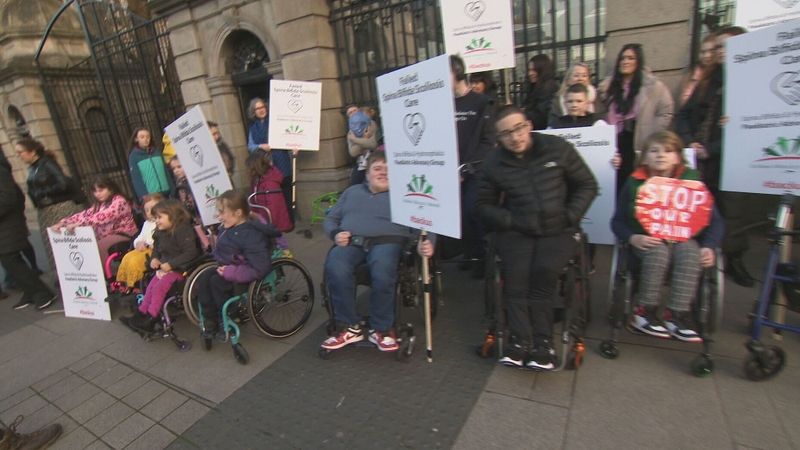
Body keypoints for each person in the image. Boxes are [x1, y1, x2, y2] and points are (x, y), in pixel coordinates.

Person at [475, 105, 597, 370]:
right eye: (506, 133)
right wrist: (512, 221)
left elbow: (587, 184)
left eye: (518, 129)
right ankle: (518, 340)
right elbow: (483, 205)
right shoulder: (494, 162)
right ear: (498, 138)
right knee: (516, 277)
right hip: (517, 229)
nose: (514, 137)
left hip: (559, 228)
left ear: (529, 125)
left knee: (543, 274)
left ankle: (544, 344)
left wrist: (570, 215)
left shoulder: (557, 148)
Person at [611, 131, 724, 341]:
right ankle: (644, 311)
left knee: (691, 253)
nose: (660, 155)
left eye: (668, 151)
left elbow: (715, 221)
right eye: (654, 151)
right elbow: (617, 221)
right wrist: (632, 238)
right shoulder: (634, 182)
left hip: (682, 238)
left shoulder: (694, 184)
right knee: (658, 251)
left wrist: (709, 245)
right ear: (644, 157)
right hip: (646, 239)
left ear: (678, 157)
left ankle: (678, 314)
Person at [320, 151, 434, 352]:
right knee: (335, 263)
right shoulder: (352, 192)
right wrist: (336, 233)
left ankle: (381, 328)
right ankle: (349, 326)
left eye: (389, 169)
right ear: (367, 174)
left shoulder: (407, 194)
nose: (383, 173)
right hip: (352, 242)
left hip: (388, 242)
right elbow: (331, 219)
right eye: (378, 169)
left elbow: (425, 223)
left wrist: (425, 242)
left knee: (382, 267)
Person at [195, 189, 282, 336]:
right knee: (204, 278)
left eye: (223, 212)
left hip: (243, 273)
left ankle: (232, 316)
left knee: (217, 282)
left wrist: (230, 272)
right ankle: (210, 319)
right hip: (229, 266)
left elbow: (260, 267)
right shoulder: (228, 228)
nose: (219, 217)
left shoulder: (251, 234)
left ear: (238, 212)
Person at [599, 44, 674, 195]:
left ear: (638, 61)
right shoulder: (607, 87)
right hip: (612, 141)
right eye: (622, 58)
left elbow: (666, 111)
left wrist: (652, 132)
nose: (625, 62)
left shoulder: (653, 86)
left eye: (630, 58)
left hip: (636, 141)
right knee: (611, 185)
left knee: (634, 186)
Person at [120, 199, 200, 333]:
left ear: (173, 215)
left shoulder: (182, 230)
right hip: (165, 268)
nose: (156, 221)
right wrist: (154, 258)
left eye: (159, 217)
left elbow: (191, 252)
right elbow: (156, 249)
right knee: (150, 287)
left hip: (182, 270)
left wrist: (171, 264)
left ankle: (151, 319)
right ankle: (139, 317)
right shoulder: (160, 232)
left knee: (157, 289)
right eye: (155, 217)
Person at [451, 55, 496, 277]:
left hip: (474, 171)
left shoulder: (481, 102)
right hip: (449, 170)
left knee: (473, 212)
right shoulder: (442, 102)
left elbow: (489, 141)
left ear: (456, 74)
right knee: (458, 216)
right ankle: (468, 252)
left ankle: (482, 256)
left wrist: (468, 168)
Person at [0, 151, 58, 311]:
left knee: (10, 260)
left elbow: (8, 198)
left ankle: (42, 293)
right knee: (11, 260)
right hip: (6, 225)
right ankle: (31, 292)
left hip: (8, 224)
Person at [16, 137, 83, 270]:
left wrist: (43, 193)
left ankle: (76, 273)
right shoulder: (34, 167)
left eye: (20, 152)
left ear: (32, 152)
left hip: (59, 208)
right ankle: (63, 273)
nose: (18, 156)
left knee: (67, 243)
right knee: (53, 244)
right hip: (45, 210)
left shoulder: (47, 163)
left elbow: (62, 183)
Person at [50, 176, 138, 264]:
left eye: (101, 190)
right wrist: (63, 223)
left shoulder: (119, 201)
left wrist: (80, 224)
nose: (97, 194)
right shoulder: (101, 204)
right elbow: (85, 214)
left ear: (110, 189)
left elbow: (103, 216)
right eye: (95, 191)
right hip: (109, 235)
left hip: (125, 233)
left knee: (99, 247)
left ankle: (103, 275)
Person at [246, 97, 295, 225]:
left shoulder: (276, 122)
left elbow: (287, 137)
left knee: (286, 194)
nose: (260, 110)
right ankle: (276, 222)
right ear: (253, 111)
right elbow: (250, 146)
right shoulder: (253, 128)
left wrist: (293, 147)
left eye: (262, 107)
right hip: (265, 167)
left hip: (282, 162)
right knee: (273, 197)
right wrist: (260, 146)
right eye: (257, 109)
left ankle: (290, 221)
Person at [109, 193, 165, 296]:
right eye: (147, 210)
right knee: (126, 257)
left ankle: (135, 286)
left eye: (152, 209)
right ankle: (124, 285)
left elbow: (160, 240)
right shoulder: (147, 223)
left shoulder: (163, 222)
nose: (149, 213)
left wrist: (148, 244)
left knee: (134, 261)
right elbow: (140, 237)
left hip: (153, 251)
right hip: (142, 249)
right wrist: (138, 243)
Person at [248, 151, 293, 256]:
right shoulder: (257, 180)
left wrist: (269, 221)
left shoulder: (270, 182)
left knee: (277, 236)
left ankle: (286, 252)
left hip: (270, 217)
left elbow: (274, 204)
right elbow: (254, 198)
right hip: (263, 216)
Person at [547, 62, 602, 127]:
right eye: (576, 75)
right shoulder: (556, 102)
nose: (580, 79)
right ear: (568, 78)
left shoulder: (598, 98)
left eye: (584, 76)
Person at [128, 128, 173, 201]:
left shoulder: (157, 153)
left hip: (166, 193)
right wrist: (144, 197)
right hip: (152, 197)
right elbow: (136, 179)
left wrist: (173, 190)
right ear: (136, 139)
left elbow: (166, 173)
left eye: (147, 136)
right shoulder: (134, 157)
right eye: (142, 137)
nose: (146, 139)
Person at [678, 35, 717, 107]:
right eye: (703, 52)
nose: (706, 55)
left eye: (711, 51)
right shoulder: (693, 73)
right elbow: (685, 99)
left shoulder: (717, 76)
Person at [523, 54, 558, 130]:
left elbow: (539, 115)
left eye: (534, 70)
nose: (530, 73)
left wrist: (520, 114)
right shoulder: (536, 86)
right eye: (529, 70)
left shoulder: (548, 87)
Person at [347, 110, 378, 187]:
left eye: (354, 111)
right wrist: (364, 138)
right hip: (361, 166)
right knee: (353, 188)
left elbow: (373, 144)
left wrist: (355, 140)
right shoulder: (351, 132)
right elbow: (353, 152)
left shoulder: (371, 125)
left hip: (373, 164)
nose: (354, 114)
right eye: (350, 113)